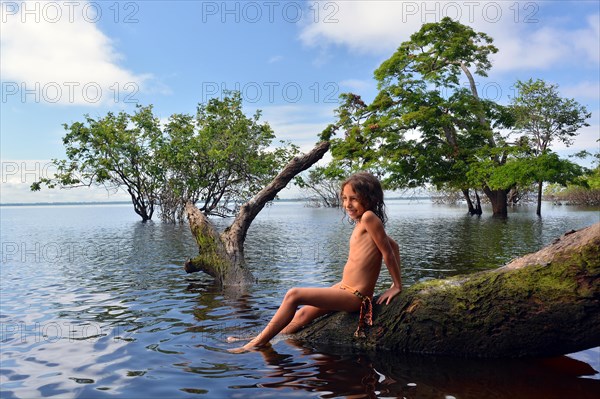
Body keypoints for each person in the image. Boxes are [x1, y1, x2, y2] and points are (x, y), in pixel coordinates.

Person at [228, 172, 402, 353]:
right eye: (344, 198)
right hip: (344, 288)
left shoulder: (368, 218)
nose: (347, 204)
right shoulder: (363, 221)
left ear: (370, 198)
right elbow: (394, 246)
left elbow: (388, 253)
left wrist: (396, 285)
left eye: (354, 199)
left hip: (356, 296)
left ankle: (254, 345)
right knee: (302, 314)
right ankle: (260, 337)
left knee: (294, 294)